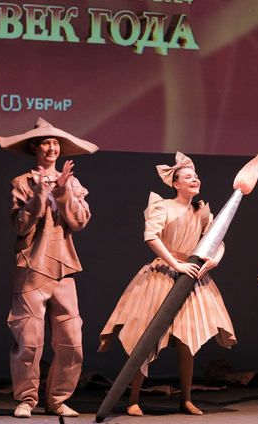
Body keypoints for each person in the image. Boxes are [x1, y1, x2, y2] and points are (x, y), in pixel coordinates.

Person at [99, 152, 236, 416]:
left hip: (190, 276)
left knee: (187, 339)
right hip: (163, 274)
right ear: (176, 184)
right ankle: (133, 399)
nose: (195, 179)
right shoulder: (163, 206)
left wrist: (214, 261)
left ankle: (186, 399)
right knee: (146, 336)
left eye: (196, 176)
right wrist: (176, 264)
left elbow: (218, 240)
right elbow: (151, 237)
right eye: (188, 177)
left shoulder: (201, 211)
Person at [0, 118, 98, 419]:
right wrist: (38, 194)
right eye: (46, 142)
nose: (52, 147)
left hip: (63, 269)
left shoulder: (71, 182)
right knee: (29, 342)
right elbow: (21, 226)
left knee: (71, 341)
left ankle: (58, 399)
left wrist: (63, 191)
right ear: (34, 147)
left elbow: (79, 222)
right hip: (30, 270)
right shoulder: (22, 183)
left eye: (56, 143)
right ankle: (26, 399)